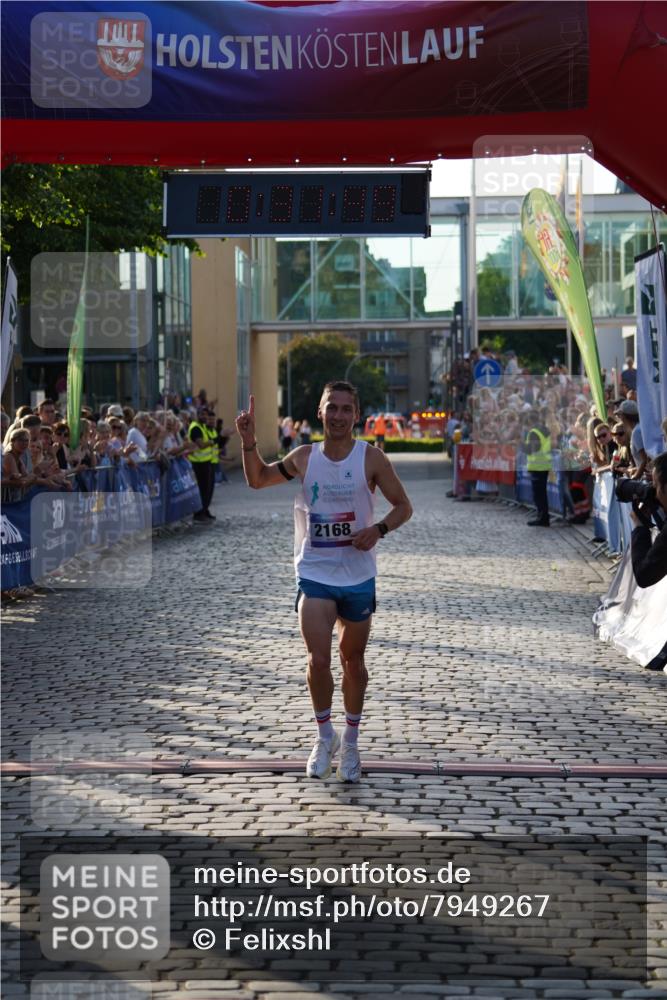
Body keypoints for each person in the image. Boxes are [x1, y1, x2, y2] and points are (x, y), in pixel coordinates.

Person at [235, 381, 413, 783]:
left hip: (357, 575)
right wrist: (249, 442)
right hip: (314, 570)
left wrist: (379, 530)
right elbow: (258, 479)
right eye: (331, 407)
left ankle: (350, 742)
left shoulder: (372, 459)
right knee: (317, 660)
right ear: (320, 411)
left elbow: (404, 506)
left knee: (353, 660)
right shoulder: (304, 457)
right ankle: (323, 736)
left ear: (356, 415)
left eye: (346, 409)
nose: (338, 416)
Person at [524, 408, 553, 526]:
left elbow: (533, 449)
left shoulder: (533, 432)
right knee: (542, 494)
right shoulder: (544, 430)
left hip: (537, 465)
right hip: (544, 464)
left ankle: (542, 517)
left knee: (538, 495)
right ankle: (543, 516)